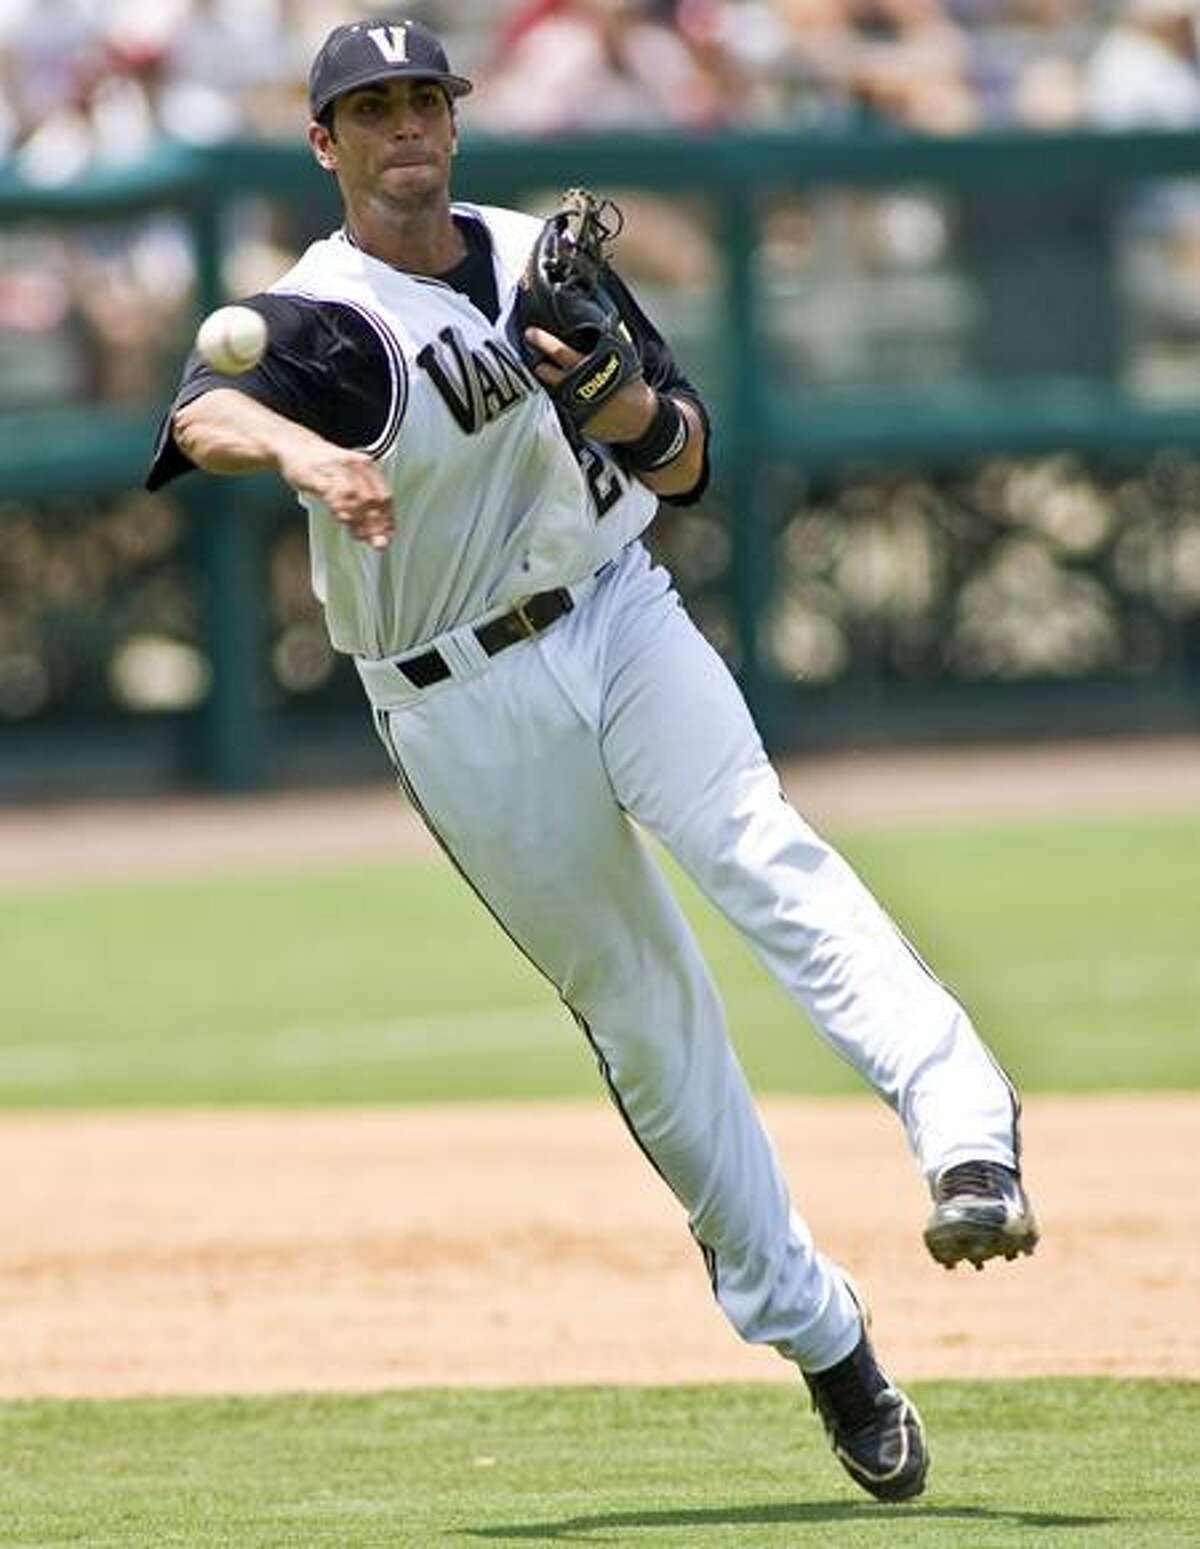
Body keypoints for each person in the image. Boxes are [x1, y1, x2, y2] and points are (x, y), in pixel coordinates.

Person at [145, 14, 1038, 1503]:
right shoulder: (327, 314)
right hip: (454, 701)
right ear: (327, 145)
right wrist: (303, 455)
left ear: (458, 115)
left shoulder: (535, 260)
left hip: (615, 603)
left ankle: (966, 1136)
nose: (404, 126)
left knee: (759, 842)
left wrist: (620, 400)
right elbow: (202, 405)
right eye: (371, 109)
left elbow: (686, 460)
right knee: (646, 1017)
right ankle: (827, 1340)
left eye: (425, 96)